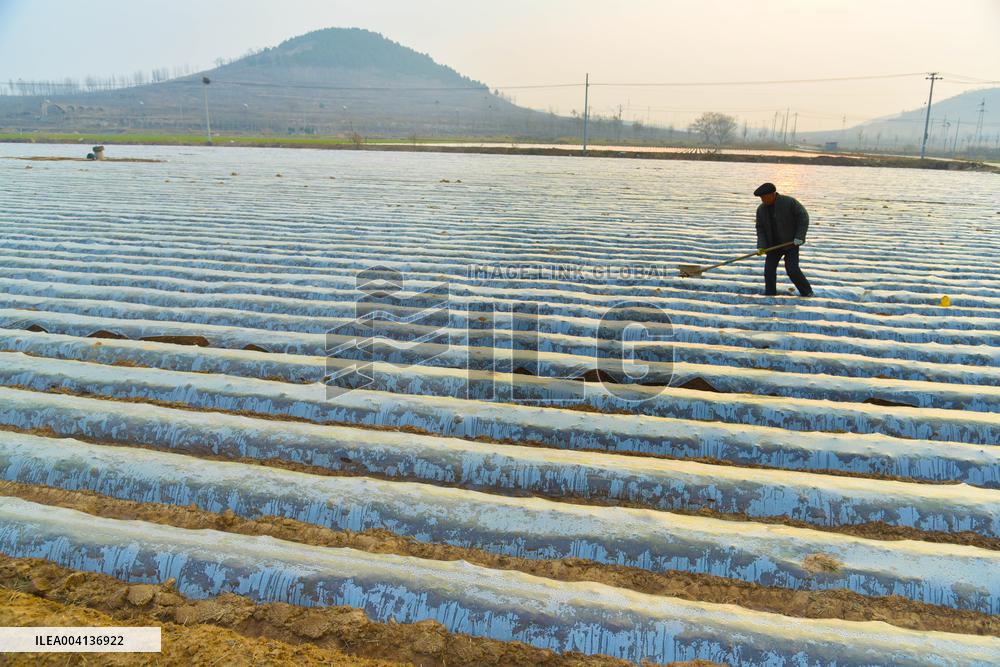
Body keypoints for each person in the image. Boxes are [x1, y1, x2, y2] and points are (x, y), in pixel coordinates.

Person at [753, 182, 813, 297]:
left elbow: (803, 217)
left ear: (773, 194)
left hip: (791, 244)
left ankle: (807, 293)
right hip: (773, 246)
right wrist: (761, 246)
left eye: (764, 197)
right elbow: (760, 229)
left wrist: (799, 237)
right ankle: (770, 295)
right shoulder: (761, 210)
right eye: (761, 198)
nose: (763, 200)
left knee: (792, 270)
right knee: (769, 271)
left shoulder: (789, 202)